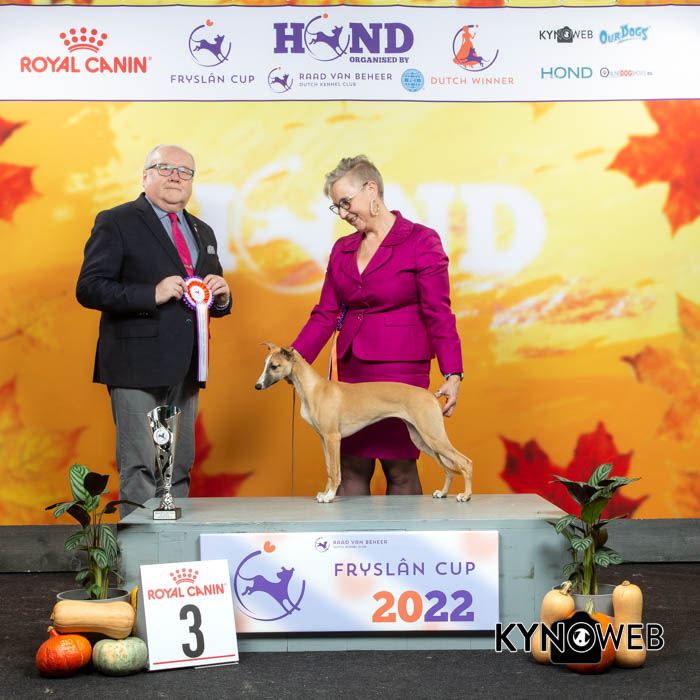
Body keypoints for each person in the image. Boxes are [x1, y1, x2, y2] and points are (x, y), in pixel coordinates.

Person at [292, 155, 463, 496]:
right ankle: (352, 534)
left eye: (345, 202)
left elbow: (438, 311)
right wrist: (292, 360)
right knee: (351, 464)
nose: (342, 214)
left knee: (399, 467)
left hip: (401, 368)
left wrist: (453, 372)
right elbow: (325, 313)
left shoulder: (421, 240)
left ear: (371, 190)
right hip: (353, 370)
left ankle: (405, 534)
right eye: (336, 207)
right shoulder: (342, 249)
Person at [76, 145, 231, 517]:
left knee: (178, 466)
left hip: (187, 367)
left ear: (192, 182)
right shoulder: (116, 221)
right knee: (140, 466)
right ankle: (137, 552)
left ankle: (174, 550)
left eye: (185, 171)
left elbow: (207, 296)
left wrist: (223, 298)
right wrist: (151, 293)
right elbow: (89, 288)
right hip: (134, 366)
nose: (176, 176)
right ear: (145, 176)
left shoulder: (203, 231)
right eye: (165, 168)